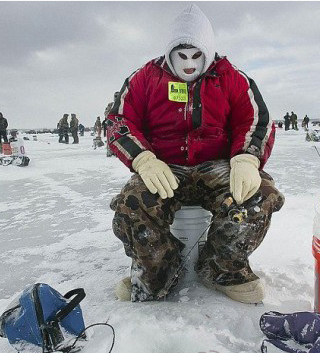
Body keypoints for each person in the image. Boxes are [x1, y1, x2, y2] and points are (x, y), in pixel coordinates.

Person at [107, 5, 284, 304]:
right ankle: (157, 272)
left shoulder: (232, 78)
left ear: (208, 52)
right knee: (133, 204)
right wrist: (144, 159)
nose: (189, 64)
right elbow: (119, 121)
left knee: (259, 195)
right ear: (169, 53)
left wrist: (246, 158)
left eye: (196, 56)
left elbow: (256, 120)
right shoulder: (144, 79)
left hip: (216, 166)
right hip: (165, 167)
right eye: (182, 56)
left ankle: (221, 268)